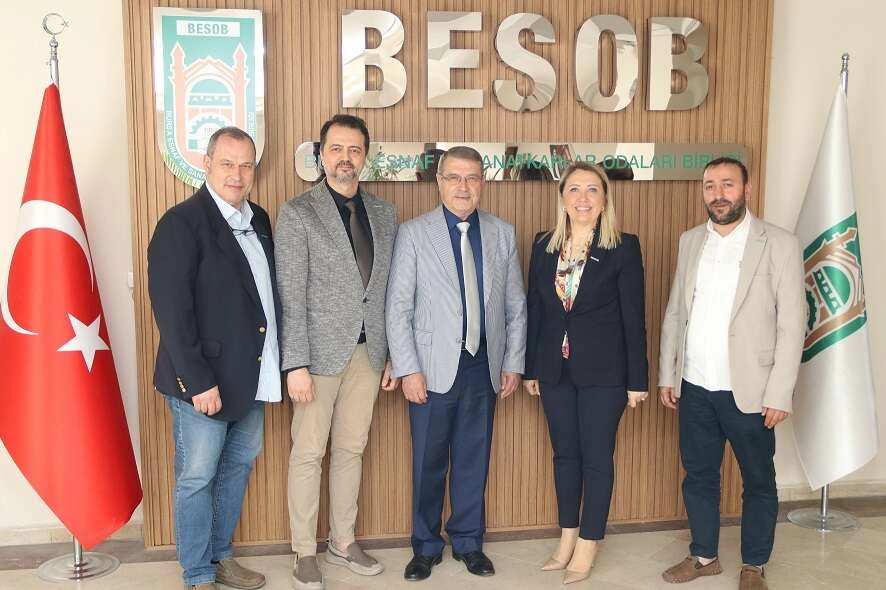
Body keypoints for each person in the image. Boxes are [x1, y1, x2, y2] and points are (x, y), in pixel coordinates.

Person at [658, 157, 806, 590]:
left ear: (746, 189)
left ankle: (754, 565)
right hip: (695, 385)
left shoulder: (779, 243)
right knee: (699, 476)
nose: (718, 194)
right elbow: (676, 312)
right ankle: (704, 556)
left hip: (752, 390)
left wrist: (780, 392)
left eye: (727, 184)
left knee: (758, 481)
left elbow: (792, 323)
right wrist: (668, 373)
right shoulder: (690, 241)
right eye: (710, 186)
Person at [386, 146, 527, 581]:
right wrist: (408, 368)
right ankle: (425, 547)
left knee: (473, 458)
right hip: (430, 369)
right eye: (454, 177)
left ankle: (468, 542)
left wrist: (513, 362)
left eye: (471, 177)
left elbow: (515, 305)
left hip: (483, 366)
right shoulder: (414, 233)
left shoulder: (502, 233)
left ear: (483, 182)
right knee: (428, 462)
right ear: (439, 181)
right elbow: (398, 308)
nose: (463, 186)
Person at [147, 126, 279, 590]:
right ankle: (198, 572)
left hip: (252, 375)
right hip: (203, 382)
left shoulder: (258, 219)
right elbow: (172, 313)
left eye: (245, 165)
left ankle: (221, 557)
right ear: (206, 164)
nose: (237, 174)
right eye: (227, 163)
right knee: (198, 477)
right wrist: (198, 381)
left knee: (237, 469)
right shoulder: (181, 223)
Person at [275, 114, 399, 590]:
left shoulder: (385, 214)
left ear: (364, 157)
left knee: (352, 449)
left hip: (369, 355)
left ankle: (343, 542)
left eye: (354, 150)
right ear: (321, 156)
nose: (345, 158)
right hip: (317, 358)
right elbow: (291, 294)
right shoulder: (298, 213)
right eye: (336, 149)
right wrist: (295, 363)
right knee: (308, 453)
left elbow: (387, 291)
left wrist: (392, 354)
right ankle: (304, 551)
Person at [523, 162, 648, 585]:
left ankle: (589, 542)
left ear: (604, 199)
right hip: (554, 371)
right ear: (562, 198)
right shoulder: (543, 245)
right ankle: (566, 538)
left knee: (596, 457)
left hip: (605, 373)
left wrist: (637, 380)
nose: (582, 198)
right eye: (574, 189)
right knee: (564, 456)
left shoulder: (623, 247)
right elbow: (536, 309)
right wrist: (531, 368)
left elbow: (634, 318)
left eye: (592, 190)